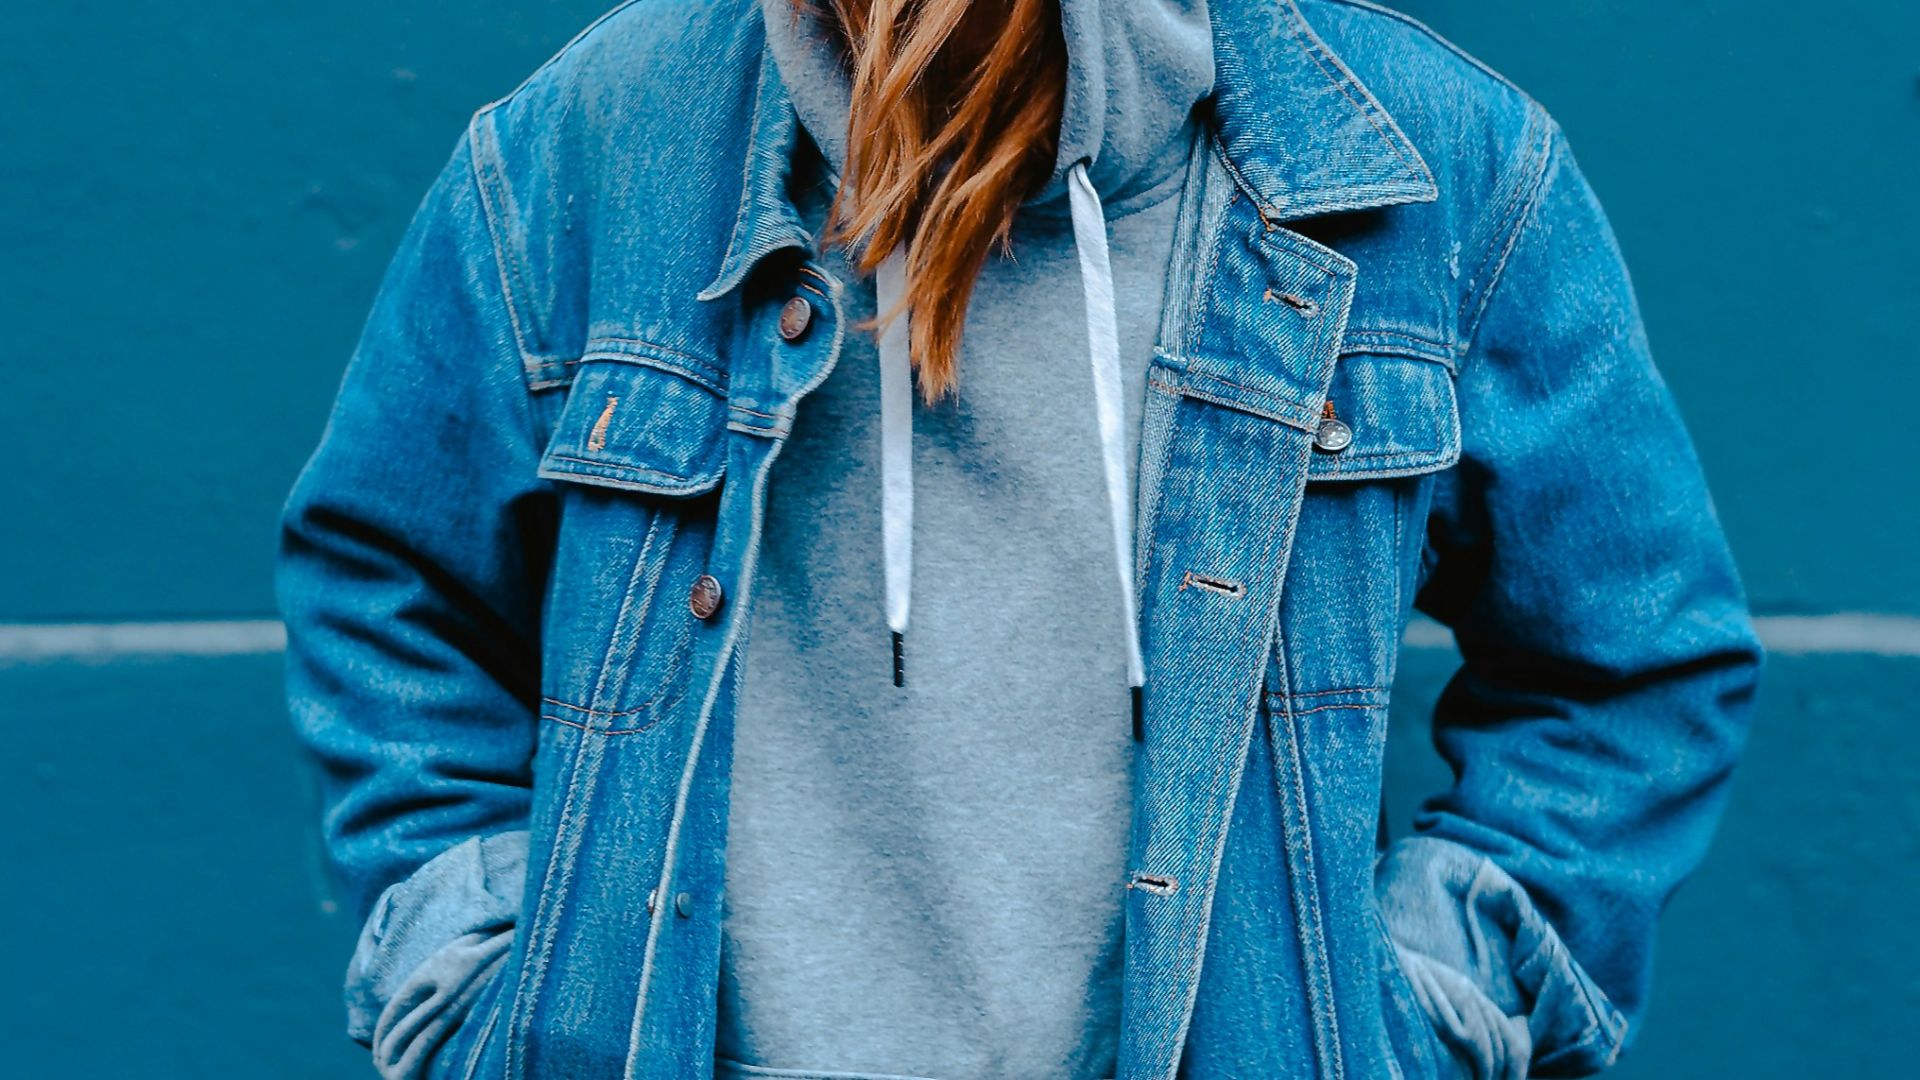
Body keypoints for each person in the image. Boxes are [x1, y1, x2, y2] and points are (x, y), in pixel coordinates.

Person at [274, 0, 1764, 1077]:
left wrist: (1411, 1018)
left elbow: (1632, 666)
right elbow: (390, 583)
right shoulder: (584, 156)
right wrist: (487, 990)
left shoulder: (1431, 176)